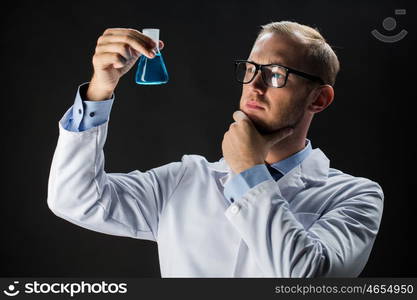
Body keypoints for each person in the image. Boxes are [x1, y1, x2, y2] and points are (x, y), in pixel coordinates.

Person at [47, 21, 384, 277]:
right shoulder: (183, 180)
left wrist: (248, 170)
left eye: (277, 74)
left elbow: (305, 276)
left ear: (319, 99)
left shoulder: (356, 196)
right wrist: (99, 90)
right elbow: (75, 199)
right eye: (251, 69)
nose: (255, 85)